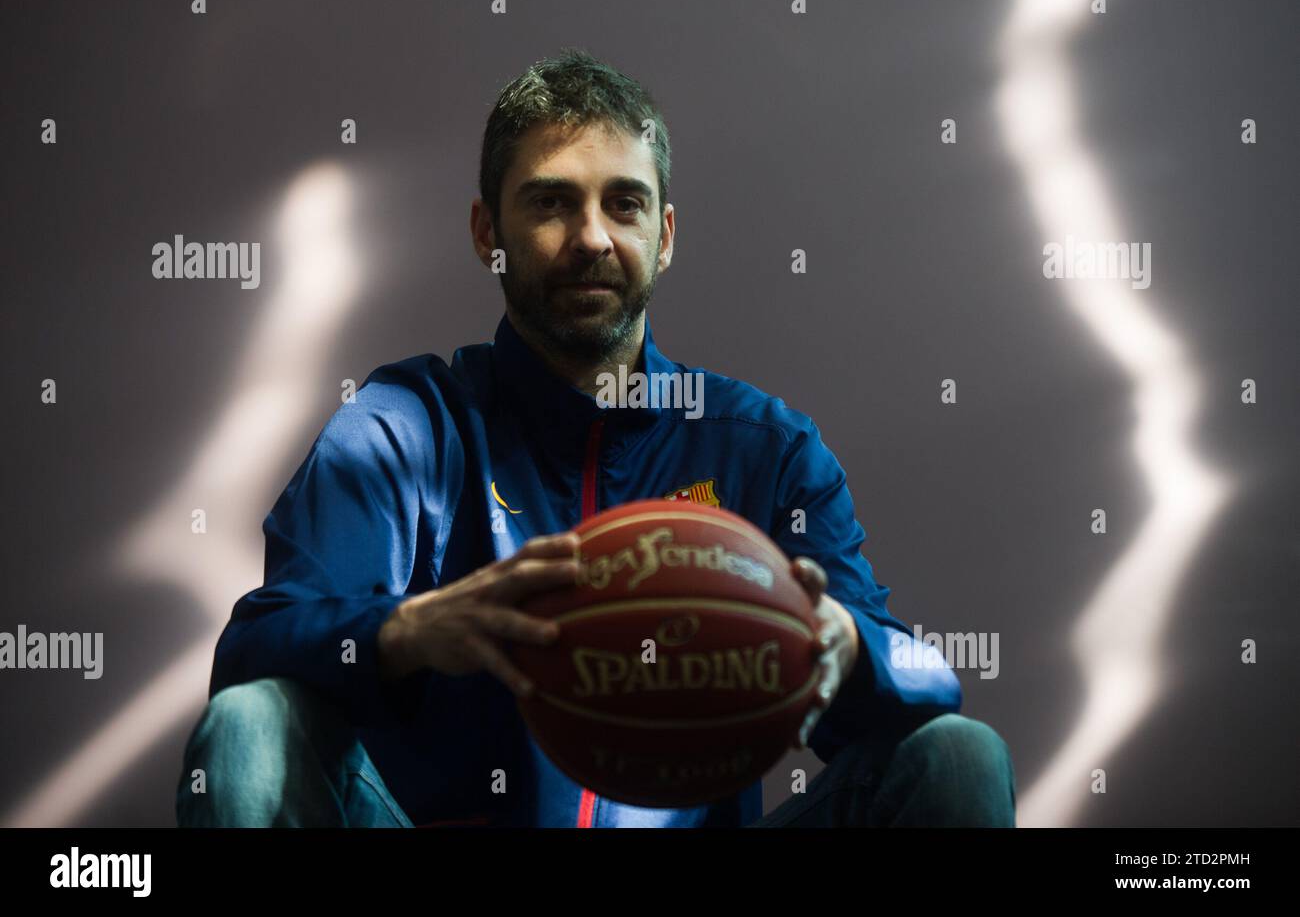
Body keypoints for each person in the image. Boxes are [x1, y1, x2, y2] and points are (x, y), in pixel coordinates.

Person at [176, 49, 1015, 828]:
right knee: (251, 725)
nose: (590, 238)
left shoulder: (766, 449)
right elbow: (254, 646)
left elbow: (928, 679)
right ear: (485, 234)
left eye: (624, 202)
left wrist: (848, 646)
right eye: (550, 202)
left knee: (957, 754)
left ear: (666, 234)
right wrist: (408, 630)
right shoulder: (406, 427)